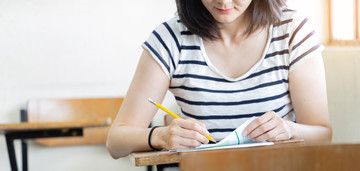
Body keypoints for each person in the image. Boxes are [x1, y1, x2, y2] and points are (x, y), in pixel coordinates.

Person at [107, 0, 332, 159]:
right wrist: (160, 137)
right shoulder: (170, 39)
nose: (224, 2)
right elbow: (116, 142)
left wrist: (290, 130)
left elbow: (323, 134)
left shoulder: (292, 31)